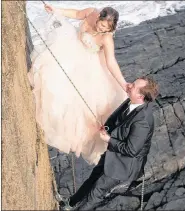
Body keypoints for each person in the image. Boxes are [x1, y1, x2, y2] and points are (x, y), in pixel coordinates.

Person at [28, 4, 129, 164]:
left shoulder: (107, 38)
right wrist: (56, 10)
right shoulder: (90, 12)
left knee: (76, 105)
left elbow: (111, 62)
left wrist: (124, 84)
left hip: (88, 65)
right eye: (101, 24)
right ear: (99, 17)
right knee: (50, 73)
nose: (102, 29)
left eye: (106, 28)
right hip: (72, 47)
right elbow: (75, 13)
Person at [60, 76, 159, 210]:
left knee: (96, 193)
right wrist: (106, 128)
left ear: (141, 96)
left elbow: (131, 150)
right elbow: (115, 119)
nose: (129, 85)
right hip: (113, 155)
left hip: (124, 166)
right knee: (92, 180)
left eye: (133, 86)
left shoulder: (143, 122)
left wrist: (109, 140)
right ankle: (69, 204)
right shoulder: (131, 101)